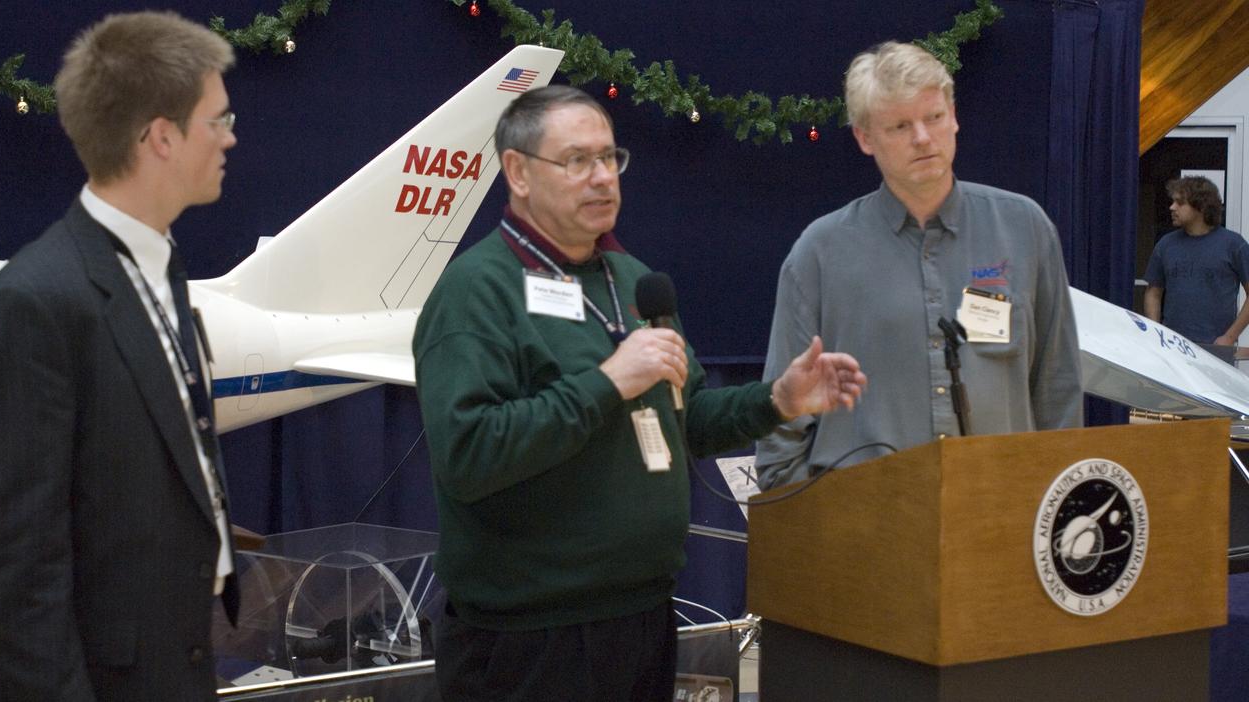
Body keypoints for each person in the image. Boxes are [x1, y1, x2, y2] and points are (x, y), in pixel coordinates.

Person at [412, 84, 866, 701]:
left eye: (610, 158)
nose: (602, 178)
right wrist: (607, 383)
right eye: (577, 161)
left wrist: (777, 400)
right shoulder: (476, 292)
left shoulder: (630, 279)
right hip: (531, 638)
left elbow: (686, 419)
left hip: (642, 617)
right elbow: (470, 455)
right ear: (517, 172)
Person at [0, 12, 240, 700]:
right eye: (217, 119)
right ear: (160, 138)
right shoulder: (34, 302)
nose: (230, 137)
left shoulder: (160, 266)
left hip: (170, 659)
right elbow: (18, 568)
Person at [756, 41, 1082, 490]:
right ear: (865, 138)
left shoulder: (1024, 229)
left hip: (1001, 515)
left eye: (933, 117)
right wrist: (817, 531)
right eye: (900, 126)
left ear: (954, 116)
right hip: (869, 530)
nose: (923, 138)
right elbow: (781, 420)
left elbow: (1058, 388)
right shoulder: (820, 253)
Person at [1143, 175, 1249, 346]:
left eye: (1180, 203)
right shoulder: (1166, 244)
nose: (1172, 207)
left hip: (1216, 347)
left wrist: (1229, 337)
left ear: (1201, 206)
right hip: (1172, 345)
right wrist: (1156, 333)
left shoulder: (1234, 245)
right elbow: (1153, 292)